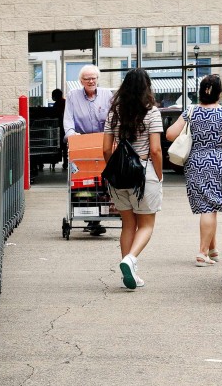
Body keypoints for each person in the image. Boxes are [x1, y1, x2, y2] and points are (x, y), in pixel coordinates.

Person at [165, 74, 222, 266]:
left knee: (208, 206)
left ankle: (212, 250)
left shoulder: (191, 112)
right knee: (210, 207)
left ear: (200, 91)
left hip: (196, 162)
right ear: (220, 93)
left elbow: (170, 134)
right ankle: (202, 253)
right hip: (218, 162)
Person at [102, 68, 163, 290]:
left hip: (119, 174)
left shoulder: (113, 113)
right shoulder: (152, 113)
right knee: (146, 225)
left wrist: (115, 169)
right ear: (147, 87)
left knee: (128, 224)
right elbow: (155, 150)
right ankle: (130, 259)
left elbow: (106, 150)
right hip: (143, 172)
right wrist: (159, 174)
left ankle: (129, 274)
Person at [65, 65, 114, 235]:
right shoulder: (73, 96)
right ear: (81, 81)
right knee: (84, 183)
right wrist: (73, 137)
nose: (91, 81)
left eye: (93, 78)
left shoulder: (107, 95)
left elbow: (113, 119)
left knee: (103, 182)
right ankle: (91, 219)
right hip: (83, 144)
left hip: (104, 144)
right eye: (87, 79)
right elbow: (68, 122)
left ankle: (98, 216)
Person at [51, 88, 66, 170]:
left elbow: (54, 114)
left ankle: (55, 161)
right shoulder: (65, 102)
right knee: (65, 147)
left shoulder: (58, 104)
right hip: (64, 128)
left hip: (60, 127)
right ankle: (65, 162)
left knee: (60, 145)